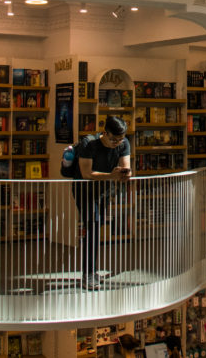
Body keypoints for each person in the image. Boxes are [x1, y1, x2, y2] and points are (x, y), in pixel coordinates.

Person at [72, 115, 132, 290]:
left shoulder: (123, 143)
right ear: (104, 133)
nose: (117, 143)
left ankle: (92, 271)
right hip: (84, 190)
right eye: (113, 139)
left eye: (120, 139)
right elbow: (86, 173)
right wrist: (112, 176)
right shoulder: (89, 144)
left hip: (104, 192)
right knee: (93, 225)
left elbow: (126, 166)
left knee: (96, 227)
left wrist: (125, 174)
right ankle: (88, 274)